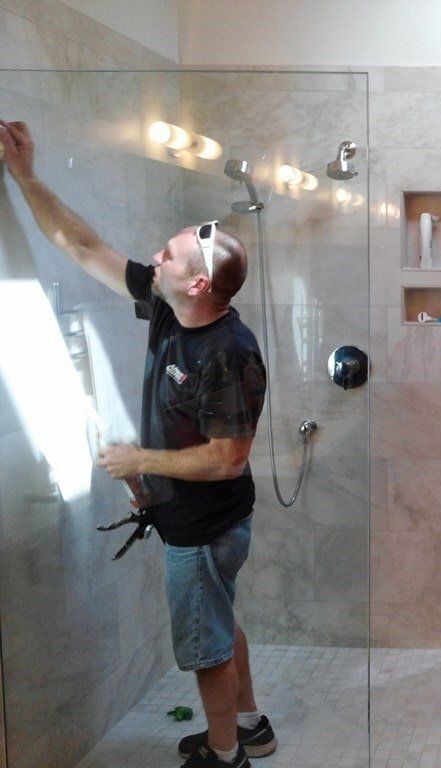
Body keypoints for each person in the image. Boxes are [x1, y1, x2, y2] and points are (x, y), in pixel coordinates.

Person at [0, 120, 278, 768]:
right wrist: (26, 177)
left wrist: (139, 461)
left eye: (171, 256)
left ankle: (223, 752)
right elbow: (82, 243)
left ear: (199, 283)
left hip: (205, 525)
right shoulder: (167, 306)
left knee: (206, 644)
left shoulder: (227, 352)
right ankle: (249, 725)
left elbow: (227, 457)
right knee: (219, 620)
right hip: (197, 517)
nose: (156, 258)